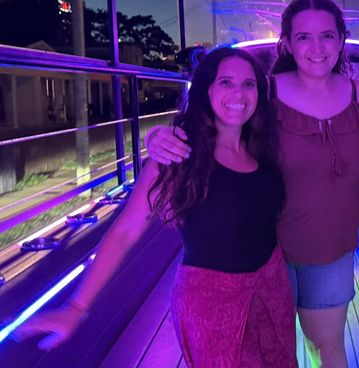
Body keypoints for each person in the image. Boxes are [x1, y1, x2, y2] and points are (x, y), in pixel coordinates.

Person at [14, 47, 296, 367]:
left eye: (249, 84)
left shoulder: (262, 145)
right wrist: (76, 308)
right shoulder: (177, 154)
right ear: (206, 88)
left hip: (272, 284)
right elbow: (126, 230)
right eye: (226, 82)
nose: (239, 94)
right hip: (212, 298)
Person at [144, 0, 359, 368]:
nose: (316, 47)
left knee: (329, 348)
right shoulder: (263, 92)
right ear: (287, 42)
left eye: (327, 36)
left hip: (332, 251)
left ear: (342, 40)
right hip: (269, 255)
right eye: (304, 37)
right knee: (274, 355)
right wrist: (158, 136)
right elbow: (208, 120)